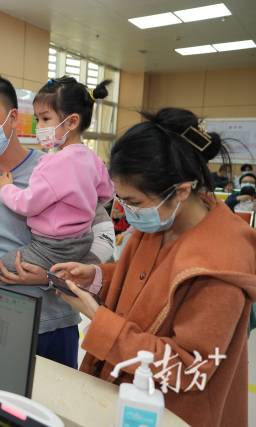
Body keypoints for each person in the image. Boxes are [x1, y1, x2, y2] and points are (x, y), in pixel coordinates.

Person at [51, 108, 256, 426]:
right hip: (116, 391)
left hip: (172, 413)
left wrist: (96, 316)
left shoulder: (221, 266)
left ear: (182, 191)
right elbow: (141, 284)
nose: (125, 210)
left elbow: (186, 368)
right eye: (121, 199)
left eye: (133, 202)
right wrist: (94, 277)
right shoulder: (158, 223)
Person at [0, 71, 115, 368]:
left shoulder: (61, 166)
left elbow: (104, 236)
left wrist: (51, 278)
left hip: (54, 324)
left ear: (14, 118)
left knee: (54, 412)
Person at [0, 76, 114, 295]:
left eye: (45, 119)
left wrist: (6, 188)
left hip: (51, 247)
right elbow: (106, 194)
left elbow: (27, 204)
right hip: (82, 240)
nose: (39, 126)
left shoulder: (53, 162)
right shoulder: (93, 159)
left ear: (71, 122)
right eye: (37, 119)